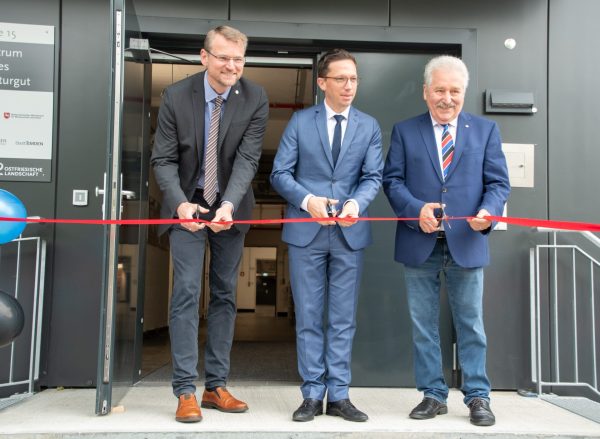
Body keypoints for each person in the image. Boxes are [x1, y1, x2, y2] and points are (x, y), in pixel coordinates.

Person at [382, 55, 510, 427]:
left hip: (467, 242)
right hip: (418, 242)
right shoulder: (406, 131)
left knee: (470, 323)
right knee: (423, 324)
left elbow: (498, 183)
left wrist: (488, 211)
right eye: (440, 90)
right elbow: (393, 182)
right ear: (426, 92)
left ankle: (478, 397)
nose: (447, 98)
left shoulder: (485, 130)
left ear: (463, 93)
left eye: (454, 91)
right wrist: (415, 209)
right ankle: (433, 394)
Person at [150, 25, 268, 423]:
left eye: (238, 59)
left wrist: (229, 204)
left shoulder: (255, 97)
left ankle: (216, 386)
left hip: (230, 208)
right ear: (204, 57)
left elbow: (249, 159)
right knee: (185, 291)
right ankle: (185, 390)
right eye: (223, 57)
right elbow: (163, 160)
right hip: (188, 204)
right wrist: (181, 204)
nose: (232, 66)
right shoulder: (176, 96)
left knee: (224, 294)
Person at [270, 49, 383, 423]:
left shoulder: (369, 125)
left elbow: (372, 177)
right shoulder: (301, 122)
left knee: (342, 319)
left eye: (354, 79)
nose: (349, 86)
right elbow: (280, 173)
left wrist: (355, 204)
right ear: (322, 83)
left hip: (350, 232)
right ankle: (311, 394)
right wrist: (308, 200)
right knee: (309, 316)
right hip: (307, 231)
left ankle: (339, 395)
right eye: (341, 79)